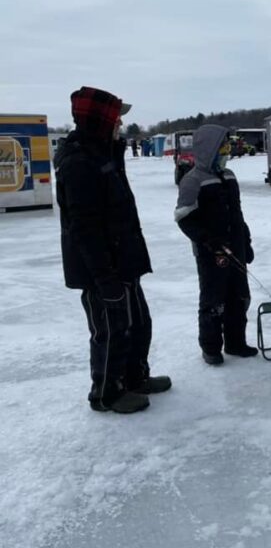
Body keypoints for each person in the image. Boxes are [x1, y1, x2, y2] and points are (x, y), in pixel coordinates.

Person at [54, 86, 171, 413]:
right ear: (100, 120)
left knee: (139, 323)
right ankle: (107, 393)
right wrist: (104, 278)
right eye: (117, 118)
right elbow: (84, 227)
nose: (121, 123)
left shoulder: (103, 152)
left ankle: (134, 378)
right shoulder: (79, 161)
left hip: (124, 259)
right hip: (100, 268)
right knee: (112, 330)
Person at [174, 124, 257, 365]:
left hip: (236, 247)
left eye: (228, 147)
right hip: (211, 252)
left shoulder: (229, 176)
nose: (227, 151)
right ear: (210, 149)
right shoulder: (193, 180)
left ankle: (236, 343)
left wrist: (246, 241)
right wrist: (209, 241)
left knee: (238, 296)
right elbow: (183, 217)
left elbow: (238, 213)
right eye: (224, 146)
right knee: (214, 299)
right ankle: (211, 348)